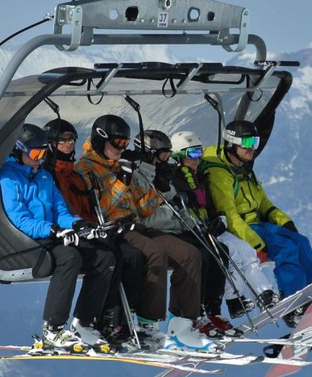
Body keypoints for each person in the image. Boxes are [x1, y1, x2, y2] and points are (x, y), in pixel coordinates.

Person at [75, 114, 213, 351]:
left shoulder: (120, 165)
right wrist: (123, 180)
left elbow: (142, 206)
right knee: (154, 253)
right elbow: (105, 208)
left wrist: (158, 187)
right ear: (100, 140)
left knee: (190, 254)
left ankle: (182, 324)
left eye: (125, 144)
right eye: (117, 143)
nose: (121, 149)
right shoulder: (86, 167)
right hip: (114, 227)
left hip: (136, 224)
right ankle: (147, 324)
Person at [0, 123, 119, 349]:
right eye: (35, 153)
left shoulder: (43, 176)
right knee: (69, 256)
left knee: (104, 256)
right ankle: (52, 328)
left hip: (51, 234)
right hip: (27, 239)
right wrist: (52, 230)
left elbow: (60, 211)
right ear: (19, 150)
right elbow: (19, 219)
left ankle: (84, 321)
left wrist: (79, 225)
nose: (40, 158)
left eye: (44, 153)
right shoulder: (8, 177)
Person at [202, 120, 312, 325]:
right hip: (244, 229)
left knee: (301, 242)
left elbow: (263, 203)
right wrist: (257, 244)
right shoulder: (220, 174)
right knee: (287, 248)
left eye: (255, 141)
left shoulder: (244, 168)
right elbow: (229, 216)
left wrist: (285, 222)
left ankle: (310, 296)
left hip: (259, 224)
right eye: (246, 142)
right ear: (231, 143)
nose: (252, 148)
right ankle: (292, 303)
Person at [42, 118, 144, 346]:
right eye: (61, 141)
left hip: (86, 227)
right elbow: (67, 209)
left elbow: (93, 206)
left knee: (124, 255)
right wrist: (82, 226)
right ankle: (93, 320)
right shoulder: (55, 173)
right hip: (67, 231)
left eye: (70, 140)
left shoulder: (73, 172)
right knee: (111, 255)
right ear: (50, 144)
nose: (68, 145)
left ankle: (110, 320)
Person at [169, 130, 280, 326]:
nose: (197, 159)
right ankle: (232, 300)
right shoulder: (176, 177)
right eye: (192, 154)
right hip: (195, 230)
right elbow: (183, 208)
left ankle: (264, 294)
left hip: (210, 227)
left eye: (199, 152)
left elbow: (209, 203)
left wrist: (217, 218)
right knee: (230, 255)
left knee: (246, 250)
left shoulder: (200, 176)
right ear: (179, 156)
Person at [129, 129, 233, 340]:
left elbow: (178, 205)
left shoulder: (163, 171)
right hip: (152, 230)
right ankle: (184, 319)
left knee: (217, 249)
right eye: (162, 155)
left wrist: (195, 225)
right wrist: (177, 219)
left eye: (168, 155)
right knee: (193, 254)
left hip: (172, 227)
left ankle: (210, 311)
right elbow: (145, 215)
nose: (166, 159)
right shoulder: (137, 174)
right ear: (149, 153)